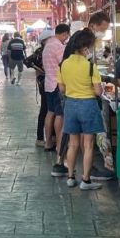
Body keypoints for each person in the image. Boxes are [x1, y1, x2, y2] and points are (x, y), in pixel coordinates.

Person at [57, 29, 104, 191]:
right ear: (85, 47)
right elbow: (98, 92)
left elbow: (62, 89)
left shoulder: (63, 64)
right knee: (88, 144)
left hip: (71, 105)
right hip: (88, 105)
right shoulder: (90, 66)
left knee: (73, 144)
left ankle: (70, 177)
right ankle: (86, 180)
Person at [43, 24, 71, 169]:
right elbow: (64, 64)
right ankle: (59, 146)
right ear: (65, 34)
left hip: (48, 83)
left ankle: (48, 142)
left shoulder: (48, 45)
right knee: (59, 115)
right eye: (67, 35)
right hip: (57, 84)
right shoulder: (58, 46)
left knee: (50, 112)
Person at [26, 30, 52, 147]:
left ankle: (46, 137)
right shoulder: (41, 51)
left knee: (47, 110)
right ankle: (41, 138)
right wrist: (40, 71)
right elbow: (27, 61)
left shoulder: (45, 50)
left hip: (47, 82)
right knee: (46, 109)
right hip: (45, 82)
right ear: (45, 40)